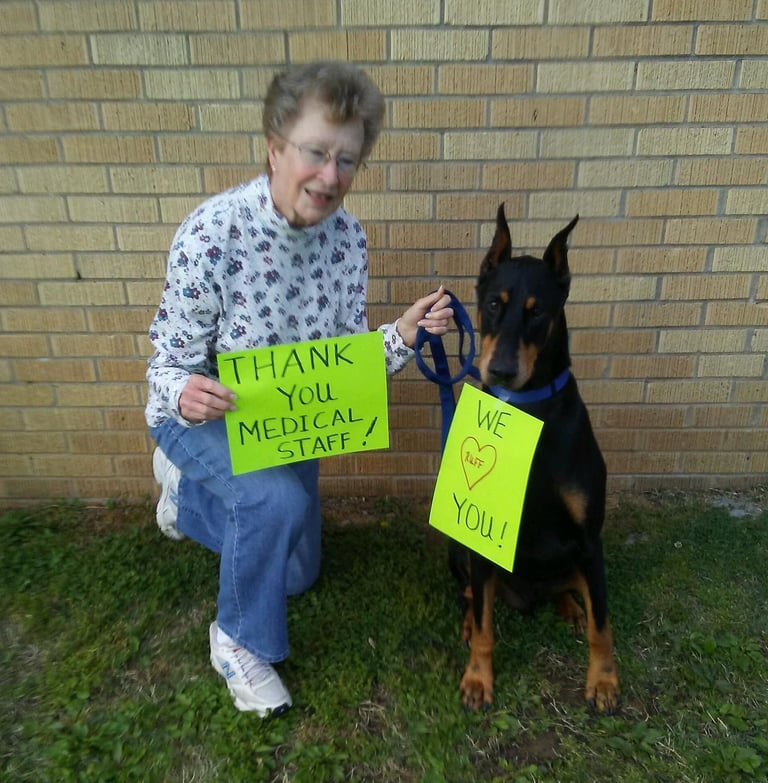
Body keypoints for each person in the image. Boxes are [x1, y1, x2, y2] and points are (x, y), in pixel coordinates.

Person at [145, 60, 453, 718]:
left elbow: (341, 364)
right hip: (200, 418)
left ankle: (188, 498)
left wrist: (401, 332)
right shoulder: (211, 234)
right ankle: (237, 640)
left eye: (348, 160)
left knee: (297, 572)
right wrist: (184, 393)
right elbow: (166, 364)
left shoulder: (349, 240)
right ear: (275, 147)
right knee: (273, 502)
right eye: (316, 153)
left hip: (286, 423)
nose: (331, 176)